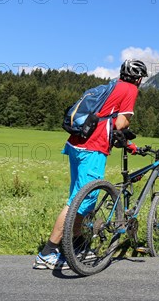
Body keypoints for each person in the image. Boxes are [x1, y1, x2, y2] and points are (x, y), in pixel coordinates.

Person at [33, 59, 148, 270]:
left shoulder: (112, 85)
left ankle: (77, 247)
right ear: (139, 79)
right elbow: (121, 123)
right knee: (79, 201)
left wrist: (127, 143)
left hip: (76, 145)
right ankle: (48, 252)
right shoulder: (130, 89)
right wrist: (125, 129)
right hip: (93, 148)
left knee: (81, 199)